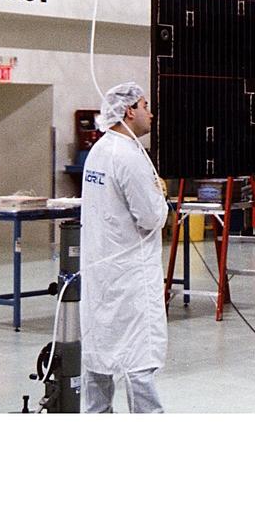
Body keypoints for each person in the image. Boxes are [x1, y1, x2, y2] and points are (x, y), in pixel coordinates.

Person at [80, 81, 170, 413]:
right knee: (138, 358)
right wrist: (162, 197)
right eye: (146, 105)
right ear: (129, 110)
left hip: (101, 273)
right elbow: (151, 218)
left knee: (99, 356)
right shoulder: (129, 156)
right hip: (131, 276)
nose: (151, 113)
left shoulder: (99, 150)